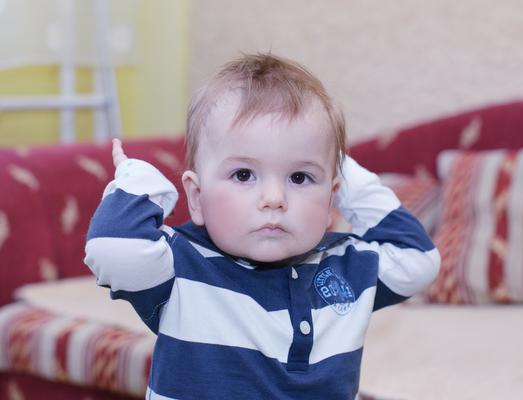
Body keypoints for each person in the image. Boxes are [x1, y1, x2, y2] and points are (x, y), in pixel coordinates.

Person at [85, 53, 440, 400]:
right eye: (244, 174)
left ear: (332, 196)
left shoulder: (347, 266)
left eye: (300, 177)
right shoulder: (181, 266)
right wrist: (140, 185)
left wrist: (348, 176)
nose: (274, 198)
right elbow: (112, 252)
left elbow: (419, 260)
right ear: (196, 196)